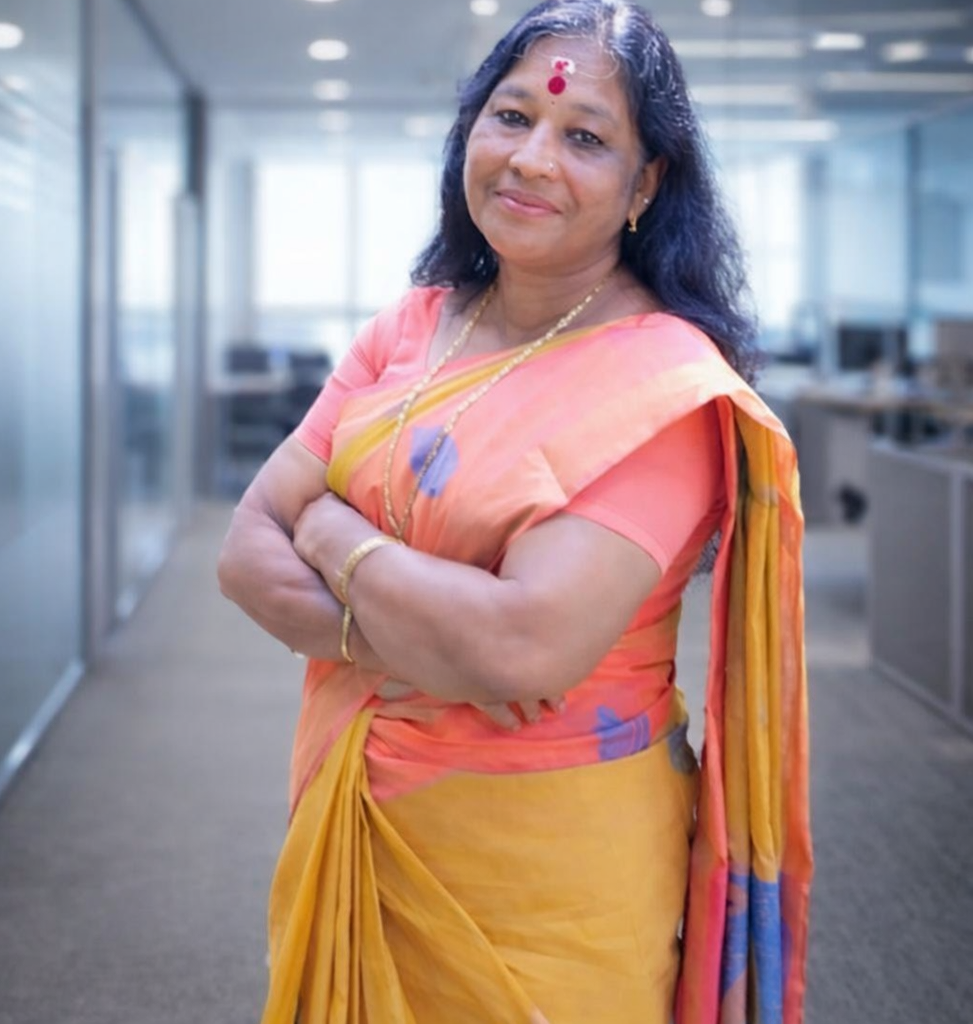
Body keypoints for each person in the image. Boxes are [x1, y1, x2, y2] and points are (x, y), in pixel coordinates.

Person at [217, 1, 812, 1022]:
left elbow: (520, 646)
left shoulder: (662, 388)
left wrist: (327, 530)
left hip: (546, 868)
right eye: (509, 118)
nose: (532, 158)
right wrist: (438, 637)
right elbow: (241, 554)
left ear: (645, 183)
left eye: (584, 136)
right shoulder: (414, 325)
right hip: (355, 804)